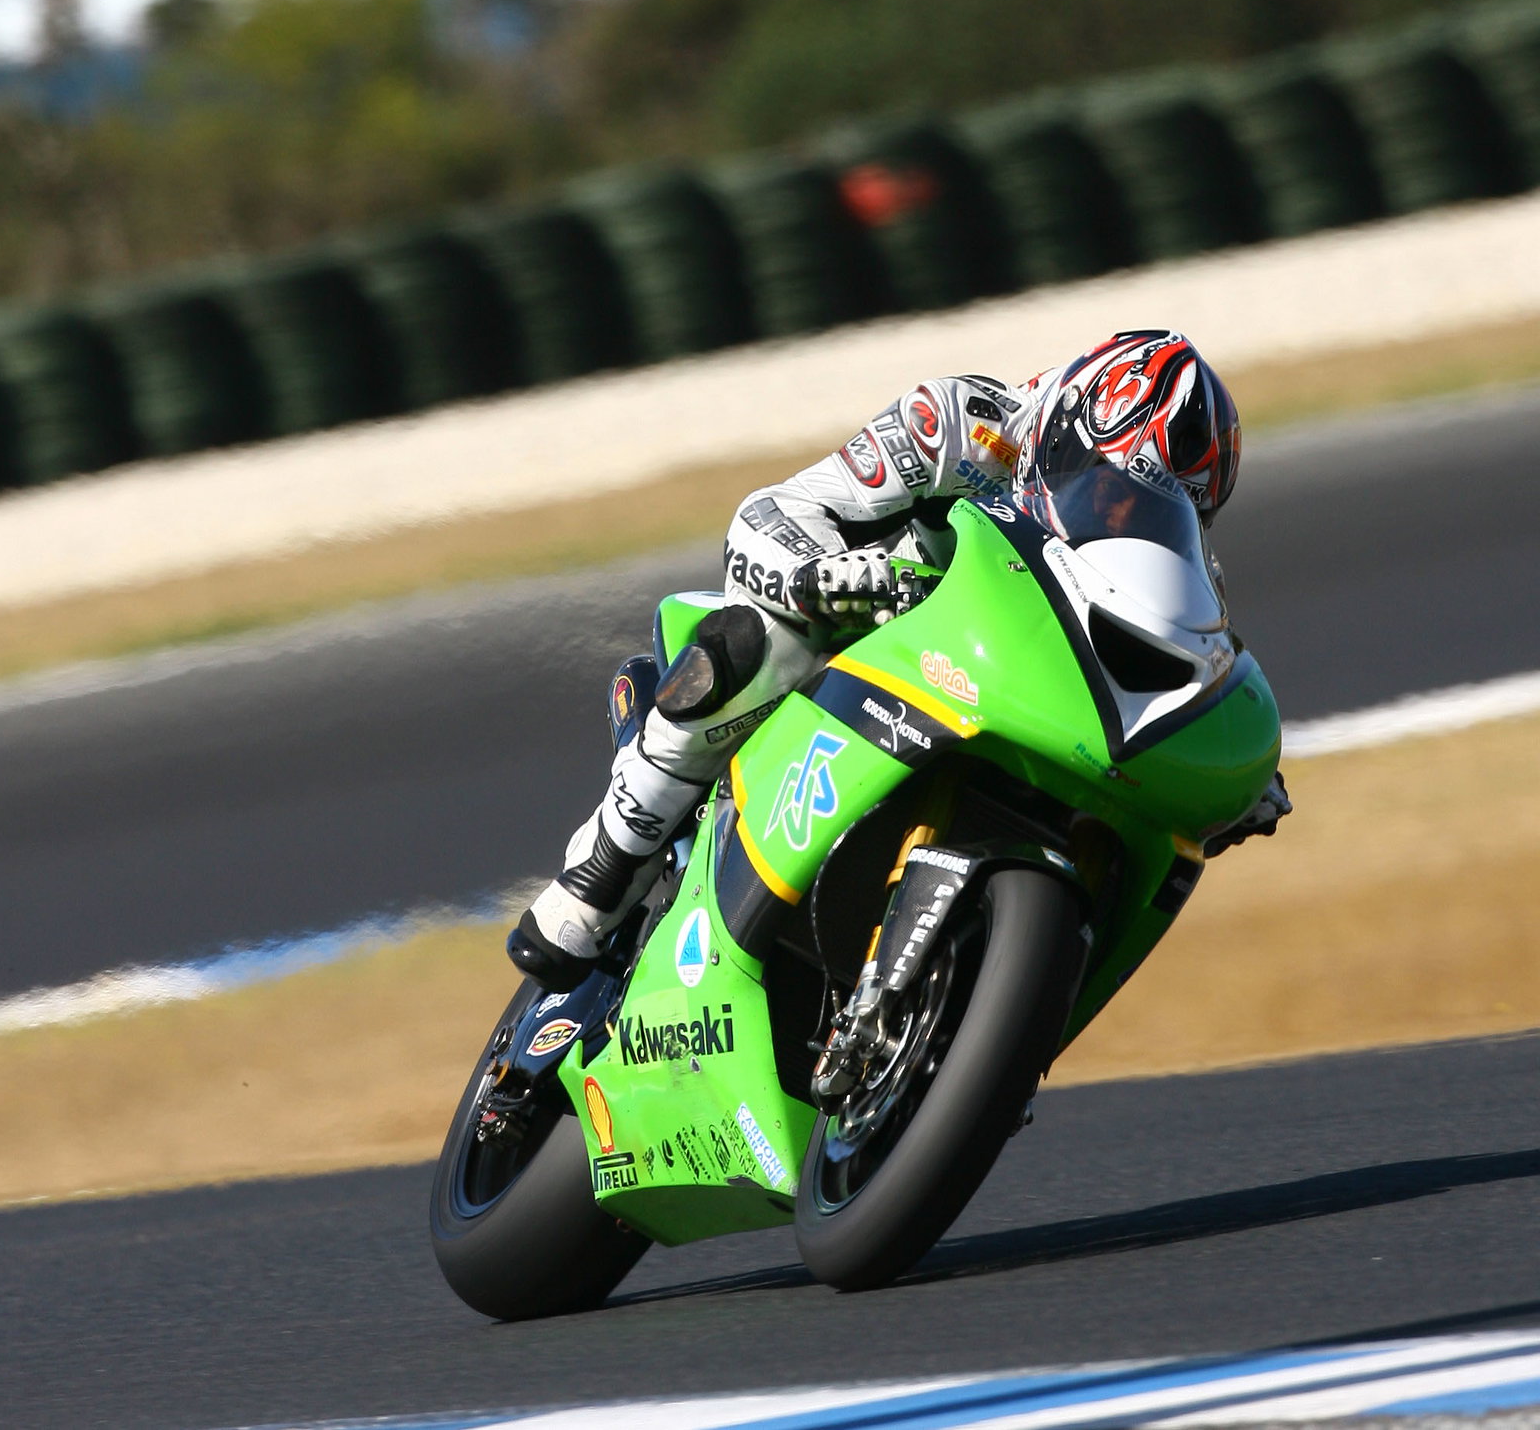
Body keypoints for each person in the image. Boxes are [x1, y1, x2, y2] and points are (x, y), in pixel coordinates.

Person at [507, 328, 1289, 988]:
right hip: (851, 639)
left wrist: (1230, 765)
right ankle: (607, 863)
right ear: (1066, 430)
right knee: (756, 640)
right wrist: (824, 577)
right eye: (1111, 489)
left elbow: (1192, 654)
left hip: (993, 694)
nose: (1122, 514)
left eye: (1152, 510)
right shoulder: (965, 423)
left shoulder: (1178, 562)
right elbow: (770, 516)